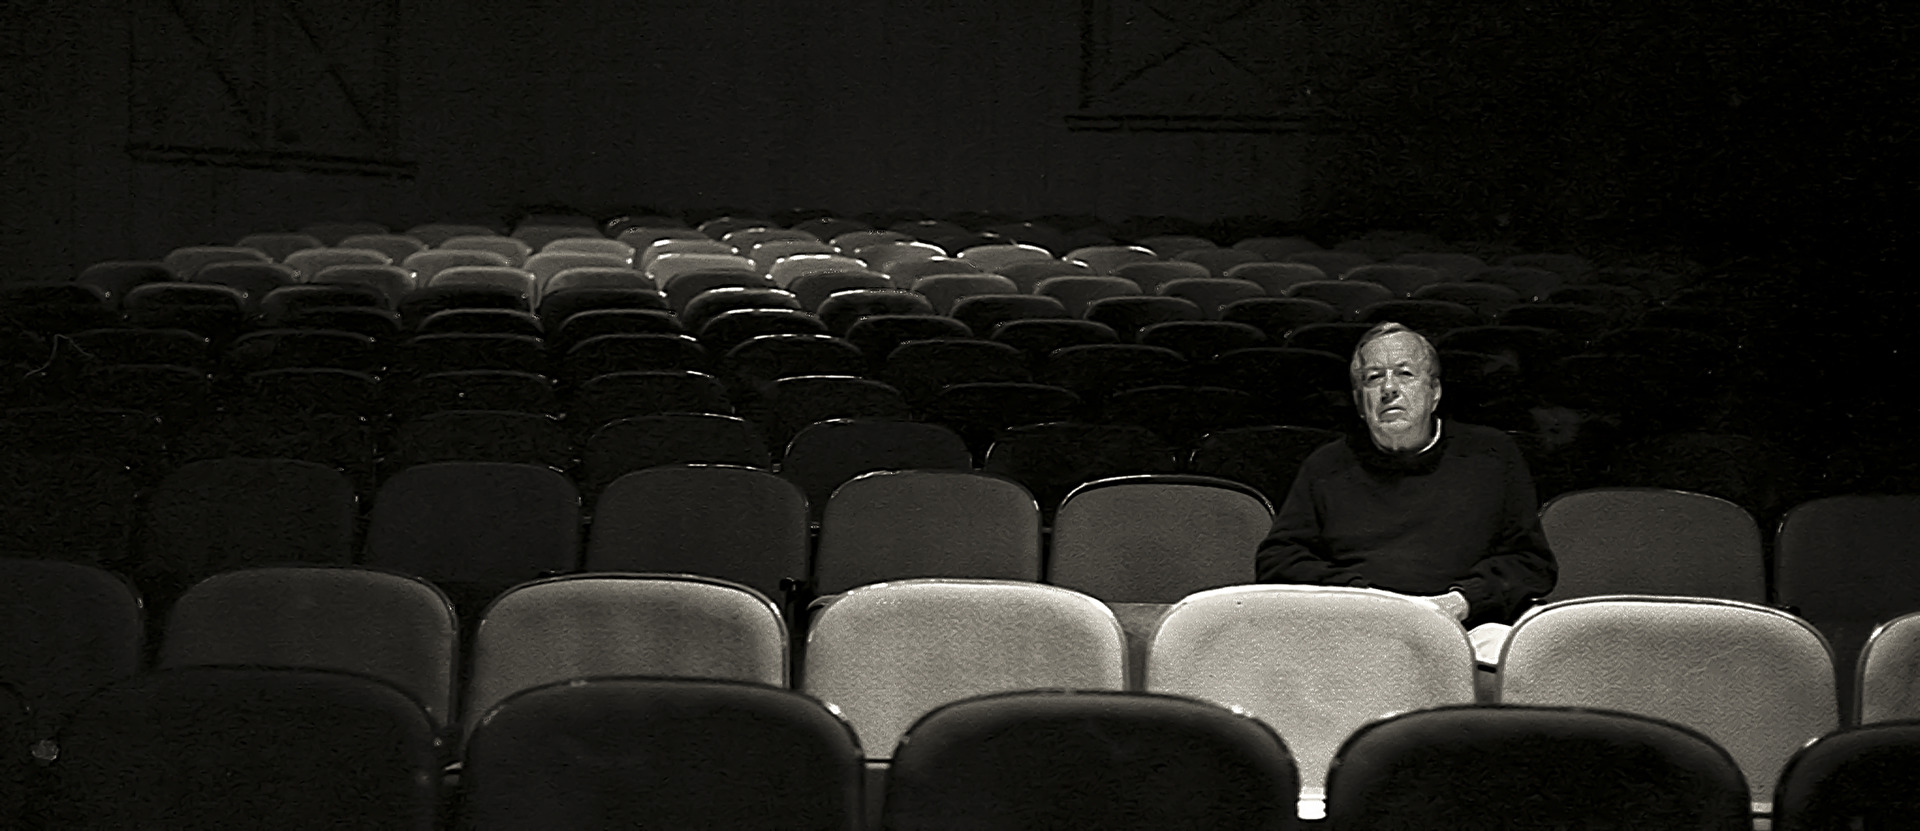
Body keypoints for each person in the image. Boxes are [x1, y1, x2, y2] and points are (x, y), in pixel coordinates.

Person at [1255, 322, 1556, 632]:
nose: (1389, 389)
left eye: (1405, 374)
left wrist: (1460, 601)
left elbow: (1530, 562)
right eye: (1373, 378)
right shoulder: (1326, 466)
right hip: (1358, 625)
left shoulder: (1492, 455)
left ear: (1434, 393)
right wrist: (1361, 597)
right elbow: (1278, 560)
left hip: (1468, 624)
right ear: (1360, 403)